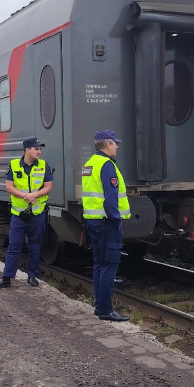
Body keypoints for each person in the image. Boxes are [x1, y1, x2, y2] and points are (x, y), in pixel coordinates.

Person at [82, 130, 131, 322]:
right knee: (110, 264)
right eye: (115, 143)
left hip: (93, 221)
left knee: (99, 264)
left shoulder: (90, 163)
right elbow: (111, 199)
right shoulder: (107, 165)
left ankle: (99, 306)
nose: (117, 147)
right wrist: (116, 220)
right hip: (106, 222)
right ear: (107, 144)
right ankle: (105, 310)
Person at [0, 138, 53, 289]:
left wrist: (35, 196)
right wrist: (26, 196)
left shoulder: (44, 165)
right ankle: (6, 278)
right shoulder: (13, 165)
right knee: (14, 246)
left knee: (35, 246)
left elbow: (48, 186)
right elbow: (9, 187)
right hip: (19, 215)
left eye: (40, 149)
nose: (39, 151)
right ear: (27, 150)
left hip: (37, 214)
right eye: (36, 149)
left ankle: (32, 276)